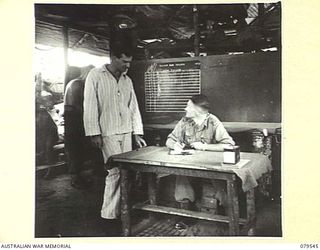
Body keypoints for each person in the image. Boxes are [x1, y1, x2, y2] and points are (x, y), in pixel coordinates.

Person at [83, 46, 146, 231]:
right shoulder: (95, 75)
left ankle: (121, 212)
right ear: (113, 58)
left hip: (126, 131)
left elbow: (133, 107)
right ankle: (108, 216)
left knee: (126, 172)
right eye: (124, 61)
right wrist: (94, 132)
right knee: (115, 172)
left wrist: (137, 133)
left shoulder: (127, 80)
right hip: (107, 131)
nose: (127, 65)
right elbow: (90, 105)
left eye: (129, 62)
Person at [166, 94, 235, 208]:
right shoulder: (184, 121)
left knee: (222, 184)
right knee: (181, 175)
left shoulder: (213, 121)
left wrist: (204, 146)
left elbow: (228, 144)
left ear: (197, 110)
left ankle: (228, 215)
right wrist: (175, 146)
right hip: (190, 163)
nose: (185, 109)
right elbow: (169, 140)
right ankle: (185, 213)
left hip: (211, 165)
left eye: (188, 106)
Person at [64, 65, 104, 189]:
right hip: (74, 119)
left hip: (75, 118)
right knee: (76, 149)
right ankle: (75, 178)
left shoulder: (78, 83)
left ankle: (91, 173)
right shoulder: (77, 84)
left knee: (81, 149)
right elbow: (82, 106)